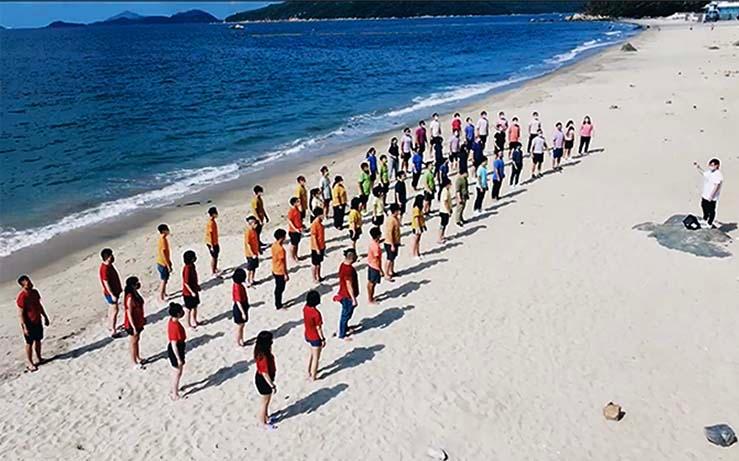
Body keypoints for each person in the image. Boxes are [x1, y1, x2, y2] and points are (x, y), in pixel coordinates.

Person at [16, 275, 50, 372]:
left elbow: (39, 305)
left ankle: (39, 357)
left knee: (38, 340)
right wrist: (24, 327)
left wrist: (45, 316)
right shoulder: (22, 297)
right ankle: (30, 362)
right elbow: (21, 313)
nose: (30, 284)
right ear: (23, 286)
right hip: (28, 322)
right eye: (27, 283)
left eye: (30, 282)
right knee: (29, 343)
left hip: (37, 320)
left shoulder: (35, 292)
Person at [254, 330, 277, 430]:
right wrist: (272, 385)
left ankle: (266, 417)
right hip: (264, 381)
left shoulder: (259, 351)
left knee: (266, 401)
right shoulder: (263, 356)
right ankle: (262, 422)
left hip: (263, 378)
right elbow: (265, 373)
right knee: (264, 402)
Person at [335, 249, 359, 341]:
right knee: (345, 315)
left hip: (343, 293)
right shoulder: (348, 270)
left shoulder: (343, 265)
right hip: (347, 296)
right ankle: (342, 334)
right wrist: (353, 299)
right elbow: (349, 285)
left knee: (346, 314)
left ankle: (345, 328)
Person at [99, 248, 122, 337]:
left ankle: (110, 325)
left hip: (114, 291)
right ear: (108, 257)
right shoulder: (105, 269)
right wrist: (112, 294)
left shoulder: (108, 265)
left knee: (111, 309)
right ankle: (113, 330)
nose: (113, 257)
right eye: (111, 256)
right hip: (111, 293)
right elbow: (106, 282)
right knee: (115, 310)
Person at [123, 276, 145, 369]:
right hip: (133, 323)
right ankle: (133, 361)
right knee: (133, 342)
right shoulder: (130, 297)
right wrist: (133, 326)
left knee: (137, 340)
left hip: (138, 320)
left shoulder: (135, 293)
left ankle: (138, 357)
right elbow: (129, 313)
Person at [303, 290, 325, 381]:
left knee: (312, 355)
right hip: (315, 337)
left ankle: (308, 371)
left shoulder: (305, 308)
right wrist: (322, 339)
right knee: (316, 358)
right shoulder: (316, 313)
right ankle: (313, 376)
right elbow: (319, 328)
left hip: (307, 334)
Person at [694, 158, 723, 227]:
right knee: (703, 206)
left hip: (712, 197)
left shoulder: (718, 174)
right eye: (710, 165)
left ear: (717, 165)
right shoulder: (710, 172)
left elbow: (717, 185)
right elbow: (704, 173)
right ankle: (705, 219)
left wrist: (711, 196)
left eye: (713, 165)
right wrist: (698, 167)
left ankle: (709, 223)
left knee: (711, 210)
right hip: (705, 195)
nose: (711, 166)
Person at [166, 302, 186, 400]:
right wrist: (178, 358)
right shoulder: (175, 326)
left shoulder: (172, 321)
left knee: (177, 371)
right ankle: (174, 393)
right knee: (177, 372)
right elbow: (174, 344)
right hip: (176, 349)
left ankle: (175, 388)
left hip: (178, 347)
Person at [229, 268, 250, 347]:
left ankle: (241, 340)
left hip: (242, 306)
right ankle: (238, 341)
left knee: (241, 325)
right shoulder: (238, 287)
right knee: (239, 326)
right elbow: (238, 301)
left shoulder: (236, 284)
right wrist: (243, 312)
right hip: (240, 308)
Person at [182, 250, 201, 329]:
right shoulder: (187, 268)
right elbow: (186, 283)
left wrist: (197, 286)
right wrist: (192, 292)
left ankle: (195, 320)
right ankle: (188, 324)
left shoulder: (192, 266)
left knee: (195, 307)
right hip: (188, 293)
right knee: (188, 309)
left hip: (194, 290)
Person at [271, 229, 289, 310]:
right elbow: (283, 263)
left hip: (274, 269)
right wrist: (286, 274)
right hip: (280, 271)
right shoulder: (281, 249)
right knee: (280, 289)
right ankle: (278, 305)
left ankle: (278, 303)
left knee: (278, 288)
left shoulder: (274, 245)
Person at [366, 227, 384, 304]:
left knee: (370, 282)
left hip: (370, 264)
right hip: (375, 267)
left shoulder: (372, 243)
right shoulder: (376, 247)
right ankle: (371, 299)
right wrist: (381, 270)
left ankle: (370, 297)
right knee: (372, 284)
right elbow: (377, 260)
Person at [155, 224, 173, 302]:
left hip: (161, 262)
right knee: (163, 280)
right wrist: (168, 265)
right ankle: (161, 297)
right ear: (164, 231)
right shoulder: (163, 240)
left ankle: (164, 293)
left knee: (165, 280)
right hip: (163, 264)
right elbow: (163, 254)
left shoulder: (162, 239)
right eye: (167, 229)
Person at [384, 204, 401, 280]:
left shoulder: (395, 218)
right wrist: (392, 245)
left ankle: (391, 271)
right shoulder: (391, 220)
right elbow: (390, 233)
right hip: (390, 242)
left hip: (395, 242)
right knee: (389, 258)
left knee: (393, 258)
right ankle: (386, 273)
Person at [309, 207, 326, 283]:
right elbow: (313, 237)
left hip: (321, 246)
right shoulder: (314, 224)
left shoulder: (320, 223)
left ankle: (318, 276)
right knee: (314, 264)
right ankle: (313, 278)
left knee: (319, 263)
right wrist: (317, 248)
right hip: (316, 247)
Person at [251, 185, 269, 250]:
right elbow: (255, 211)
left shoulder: (260, 199)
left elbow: (262, 208)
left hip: (261, 217)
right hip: (257, 219)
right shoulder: (255, 200)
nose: (261, 193)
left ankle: (259, 243)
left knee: (259, 233)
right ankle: (257, 247)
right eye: (260, 192)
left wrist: (266, 216)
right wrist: (259, 220)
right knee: (256, 233)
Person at [244, 216, 260, 287]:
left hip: (255, 252)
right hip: (250, 254)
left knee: (254, 268)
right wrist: (252, 253)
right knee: (250, 268)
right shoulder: (248, 232)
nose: (256, 225)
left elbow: (256, 242)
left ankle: (252, 280)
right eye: (255, 223)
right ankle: (248, 280)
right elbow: (248, 244)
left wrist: (258, 250)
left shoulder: (254, 231)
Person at [204, 207, 220, 276]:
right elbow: (210, 234)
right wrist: (212, 246)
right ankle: (213, 271)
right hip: (212, 243)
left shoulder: (213, 221)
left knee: (216, 256)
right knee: (214, 257)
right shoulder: (210, 223)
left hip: (215, 242)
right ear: (213, 214)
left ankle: (215, 268)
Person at [287, 197, 303, 263]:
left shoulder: (297, 209)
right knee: (293, 245)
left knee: (297, 244)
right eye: (297, 202)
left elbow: (299, 217)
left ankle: (296, 255)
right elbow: (289, 221)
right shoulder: (291, 211)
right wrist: (295, 228)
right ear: (294, 203)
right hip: (293, 231)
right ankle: (292, 256)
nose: (299, 203)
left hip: (299, 229)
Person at [411, 195, 426, 259]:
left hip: (420, 225)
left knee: (418, 240)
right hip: (416, 226)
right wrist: (418, 227)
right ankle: (414, 253)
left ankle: (418, 252)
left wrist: (424, 225)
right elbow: (416, 219)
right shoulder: (416, 208)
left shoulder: (419, 208)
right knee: (416, 240)